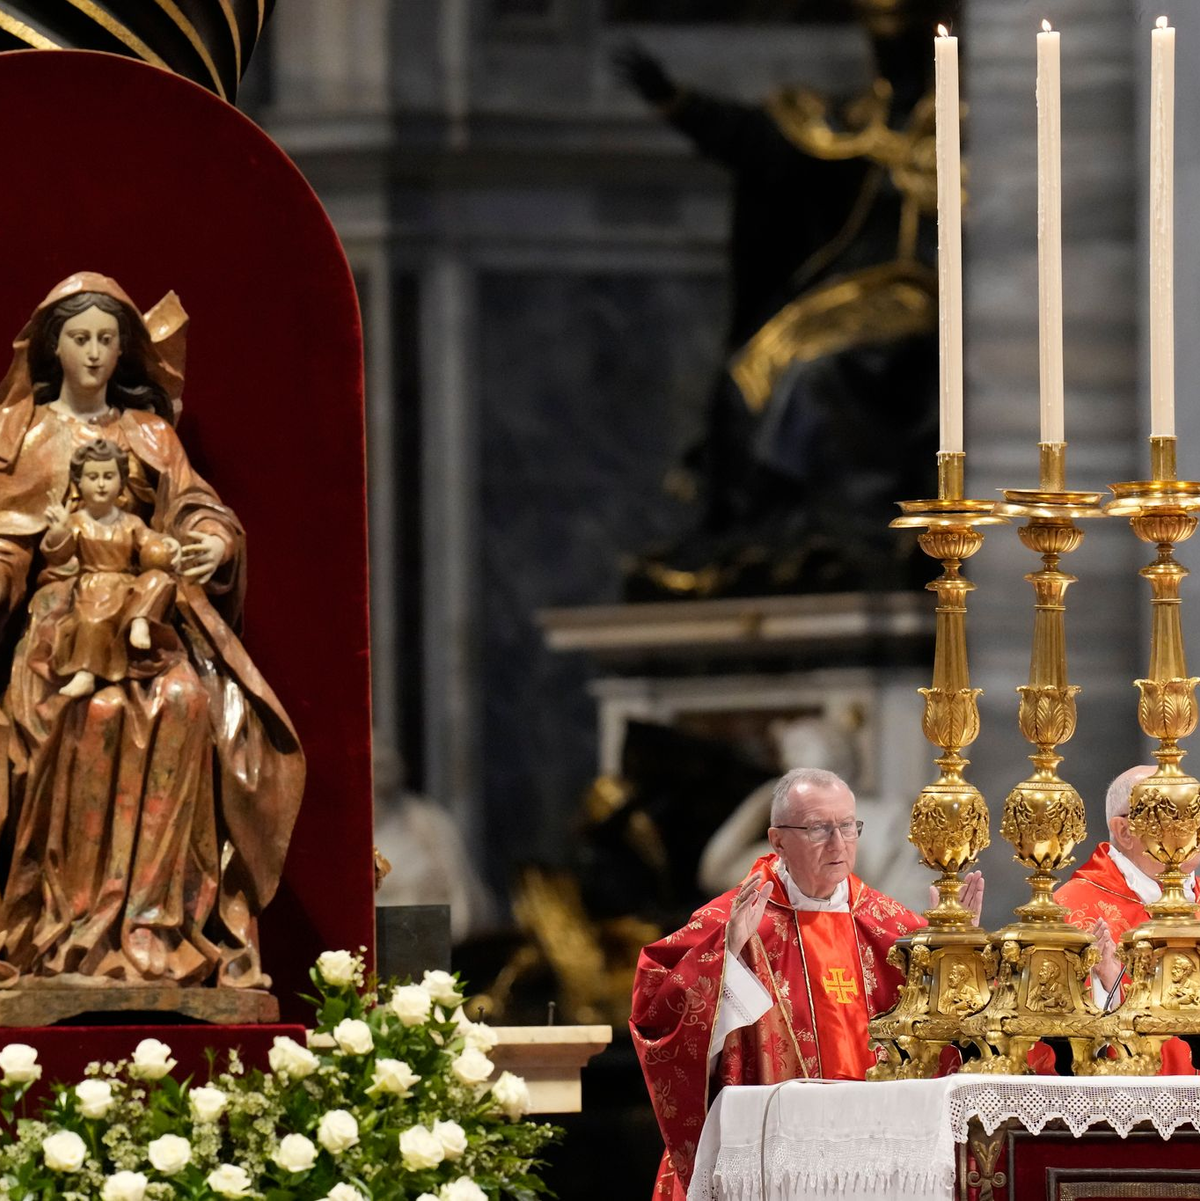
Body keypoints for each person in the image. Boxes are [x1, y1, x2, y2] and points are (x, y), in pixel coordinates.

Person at [0, 272, 304, 989]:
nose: (95, 353)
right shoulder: (25, 435)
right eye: (80, 338)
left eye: (108, 339)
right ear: (53, 348)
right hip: (60, 632)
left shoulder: (151, 435)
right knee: (93, 713)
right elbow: (11, 542)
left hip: (148, 623)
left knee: (187, 705)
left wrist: (214, 543)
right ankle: (68, 927)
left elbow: (197, 511)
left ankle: (153, 923)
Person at [630, 767, 983, 1199]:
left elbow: (943, 1035)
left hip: (873, 1159)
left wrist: (955, 957)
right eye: (819, 829)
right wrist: (723, 959)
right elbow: (657, 1016)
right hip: (772, 1159)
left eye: (849, 827)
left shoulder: (891, 925)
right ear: (777, 840)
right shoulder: (736, 919)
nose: (839, 844)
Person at [1055, 764, 1200, 1073]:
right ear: (1123, 830)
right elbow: (1047, 1035)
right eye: (1167, 812)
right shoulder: (1072, 908)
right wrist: (1106, 987)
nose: (1190, 827)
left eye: (1194, 811)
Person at [41, 437, 179, 699]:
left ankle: (140, 620)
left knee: (161, 579)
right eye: (93, 477)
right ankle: (86, 674)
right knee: (91, 621)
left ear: (122, 481)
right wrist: (58, 531)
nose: (102, 484)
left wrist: (168, 544)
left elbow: (152, 546)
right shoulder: (76, 522)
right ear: (79, 483)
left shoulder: (132, 522)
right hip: (94, 589)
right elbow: (59, 556)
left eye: (108, 476)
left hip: (128, 589)